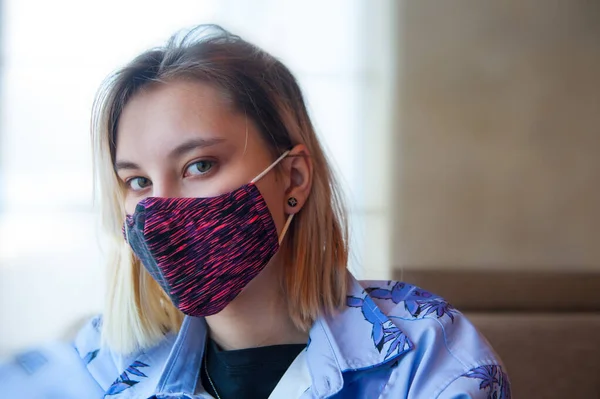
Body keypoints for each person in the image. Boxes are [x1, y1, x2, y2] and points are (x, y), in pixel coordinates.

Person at [0, 25, 510, 398]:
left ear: (292, 178)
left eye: (199, 165)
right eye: (137, 181)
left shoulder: (428, 354)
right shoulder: (97, 365)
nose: (160, 208)